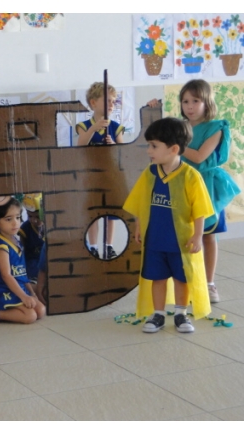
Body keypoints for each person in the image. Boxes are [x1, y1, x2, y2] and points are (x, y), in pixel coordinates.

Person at [123, 117, 214, 334]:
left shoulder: (190, 176)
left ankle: (181, 313)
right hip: (155, 239)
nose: (149, 151)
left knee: (182, 278)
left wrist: (197, 235)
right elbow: (141, 201)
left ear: (173, 149)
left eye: (154, 146)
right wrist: (139, 226)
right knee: (158, 277)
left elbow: (200, 209)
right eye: (149, 145)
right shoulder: (150, 173)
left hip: (180, 242)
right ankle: (158, 314)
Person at [178, 80, 241, 304]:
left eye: (195, 100)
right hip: (184, 183)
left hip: (208, 186)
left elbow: (199, 157)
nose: (190, 106)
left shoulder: (216, 127)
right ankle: (188, 280)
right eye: (185, 101)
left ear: (207, 102)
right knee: (186, 233)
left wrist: (174, 144)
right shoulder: (180, 127)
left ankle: (209, 283)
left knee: (208, 234)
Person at [0, 197, 45, 327]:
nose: (15, 223)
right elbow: (6, 276)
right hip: (3, 290)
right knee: (30, 316)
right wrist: (24, 297)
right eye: (8, 219)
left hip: (19, 288)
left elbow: (22, 274)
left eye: (17, 217)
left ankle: (12, 308)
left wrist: (32, 294)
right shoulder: (2, 247)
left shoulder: (16, 241)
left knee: (41, 310)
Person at [77, 82, 125, 259]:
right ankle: (93, 245)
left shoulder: (115, 127)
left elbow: (122, 152)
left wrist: (113, 146)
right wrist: (94, 128)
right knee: (93, 212)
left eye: (113, 101)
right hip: (91, 176)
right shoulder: (84, 126)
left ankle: (109, 245)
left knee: (111, 213)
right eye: (107, 101)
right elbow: (80, 144)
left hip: (110, 175)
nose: (111, 104)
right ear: (93, 102)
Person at [19, 193, 45, 287]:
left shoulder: (51, 226)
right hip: (31, 268)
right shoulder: (25, 229)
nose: (34, 220)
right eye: (30, 216)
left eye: (37, 217)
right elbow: (21, 251)